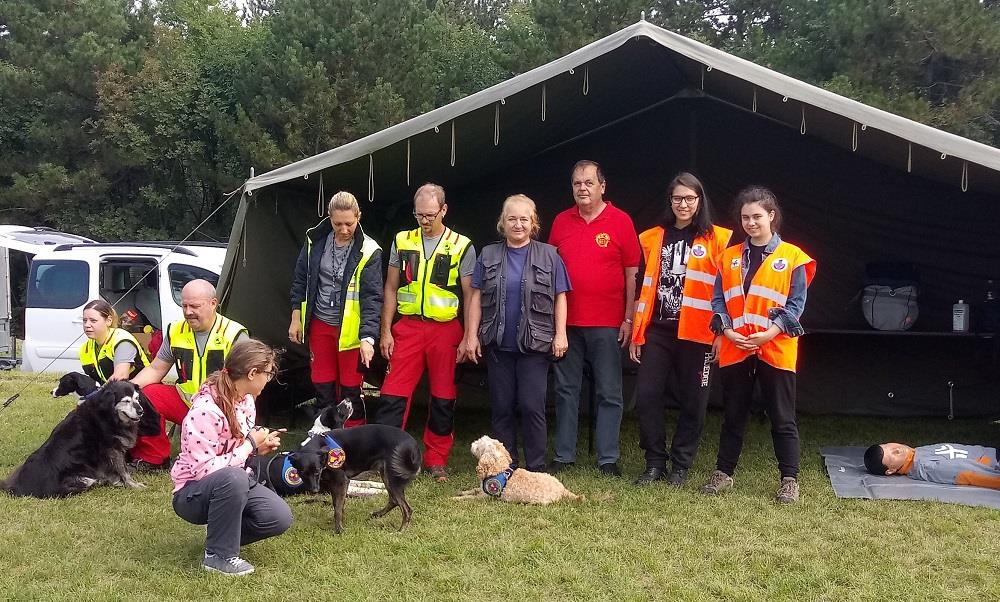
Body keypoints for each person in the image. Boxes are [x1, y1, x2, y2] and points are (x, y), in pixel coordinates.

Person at [700, 186, 816, 503]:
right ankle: (723, 474)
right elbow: (718, 300)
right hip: (736, 346)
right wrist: (726, 331)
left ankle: (789, 480)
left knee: (782, 417)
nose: (750, 223)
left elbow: (796, 304)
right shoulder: (729, 257)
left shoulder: (792, 257)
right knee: (733, 415)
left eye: (757, 217)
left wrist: (770, 332)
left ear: (771, 216)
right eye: (745, 218)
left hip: (775, 346)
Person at [629, 173, 732, 486]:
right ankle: (655, 462)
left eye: (689, 198)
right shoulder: (653, 237)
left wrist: (720, 334)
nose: (683, 204)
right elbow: (643, 288)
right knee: (647, 395)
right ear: (670, 201)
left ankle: (681, 465)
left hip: (699, 334)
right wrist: (637, 332)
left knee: (694, 402)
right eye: (677, 198)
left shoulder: (719, 239)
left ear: (700, 200)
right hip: (658, 331)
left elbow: (728, 291)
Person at [375, 183, 477, 482]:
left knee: (443, 396)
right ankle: (387, 456)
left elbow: (472, 295)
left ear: (444, 210)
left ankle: (437, 459)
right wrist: (386, 331)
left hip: (445, 329)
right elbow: (390, 287)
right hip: (407, 327)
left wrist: (469, 336)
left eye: (430, 215)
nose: (424, 220)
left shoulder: (462, 245)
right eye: (419, 214)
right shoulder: (402, 240)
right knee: (392, 394)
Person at [464, 194, 571, 472]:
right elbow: (475, 297)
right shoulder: (488, 254)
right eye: (512, 218)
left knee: (532, 407)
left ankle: (536, 468)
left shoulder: (550, 254)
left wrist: (561, 334)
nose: (518, 224)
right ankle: (506, 466)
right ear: (502, 222)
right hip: (498, 346)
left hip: (535, 346)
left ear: (533, 223)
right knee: (502, 407)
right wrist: (471, 335)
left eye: (524, 219)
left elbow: (560, 296)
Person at [548, 160, 641, 476]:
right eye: (577, 183)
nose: (582, 188)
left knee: (609, 392)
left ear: (603, 186)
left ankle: (608, 458)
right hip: (567, 323)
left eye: (588, 182)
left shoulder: (621, 220)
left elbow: (632, 273)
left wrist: (628, 318)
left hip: (608, 322)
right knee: (565, 390)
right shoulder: (561, 221)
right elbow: (550, 271)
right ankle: (564, 455)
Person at [171, 339, 292, 576]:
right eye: (268, 374)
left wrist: (259, 446)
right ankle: (218, 556)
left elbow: (235, 449)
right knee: (234, 478)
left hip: (232, 481)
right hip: (192, 493)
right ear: (252, 373)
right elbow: (204, 470)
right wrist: (249, 445)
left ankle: (220, 536)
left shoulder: (246, 400)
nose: (269, 380)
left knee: (278, 517)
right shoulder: (205, 411)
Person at [128, 279, 249, 469]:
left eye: (195, 306)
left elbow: (246, 384)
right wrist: (127, 389)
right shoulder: (175, 330)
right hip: (187, 402)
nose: (188, 312)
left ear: (213, 304)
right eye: (184, 305)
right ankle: (153, 458)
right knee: (147, 395)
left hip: (224, 407)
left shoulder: (235, 334)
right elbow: (156, 369)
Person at [289, 191, 383, 426]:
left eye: (349, 223)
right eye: (337, 223)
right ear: (329, 218)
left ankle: (353, 438)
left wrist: (368, 338)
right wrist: (296, 317)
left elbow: (373, 298)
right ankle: (325, 435)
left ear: (359, 216)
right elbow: (300, 280)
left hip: (351, 333)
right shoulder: (314, 241)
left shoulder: (370, 250)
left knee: (351, 389)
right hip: (319, 324)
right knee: (322, 384)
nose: (344, 229)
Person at [864, 443, 1000, 489]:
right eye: (892, 455)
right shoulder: (926, 467)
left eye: (889, 446)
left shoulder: (917, 453)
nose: (897, 449)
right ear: (891, 470)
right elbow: (967, 473)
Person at [79, 299, 149, 383]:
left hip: (143, 388)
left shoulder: (122, 340)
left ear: (108, 321)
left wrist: (100, 391)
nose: (87, 325)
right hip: (117, 389)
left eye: (93, 321)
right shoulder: (85, 348)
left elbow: (120, 377)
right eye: (85, 320)